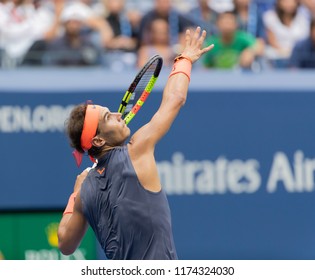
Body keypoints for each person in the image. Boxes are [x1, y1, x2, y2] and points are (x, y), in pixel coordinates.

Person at [57, 26, 214, 260]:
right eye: (109, 117)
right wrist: (184, 60)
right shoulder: (137, 148)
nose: (119, 115)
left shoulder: (84, 190)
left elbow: (65, 244)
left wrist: (75, 195)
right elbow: (175, 99)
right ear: (98, 139)